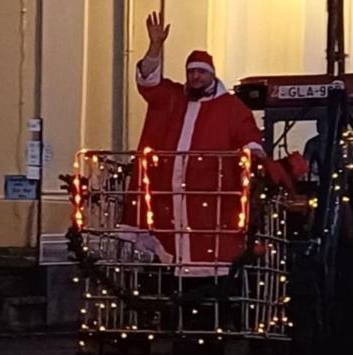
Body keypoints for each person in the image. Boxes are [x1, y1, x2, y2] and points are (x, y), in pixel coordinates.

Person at [121, 11, 287, 277]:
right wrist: (155, 47)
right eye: (191, 72)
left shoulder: (231, 108)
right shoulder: (174, 98)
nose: (195, 77)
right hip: (169, 196)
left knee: (209, 250)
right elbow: (149, 83)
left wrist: (254, 158)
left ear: (212, 75)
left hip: (211, 197)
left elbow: (249, 137)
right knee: (170, 251)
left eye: (201, 72)